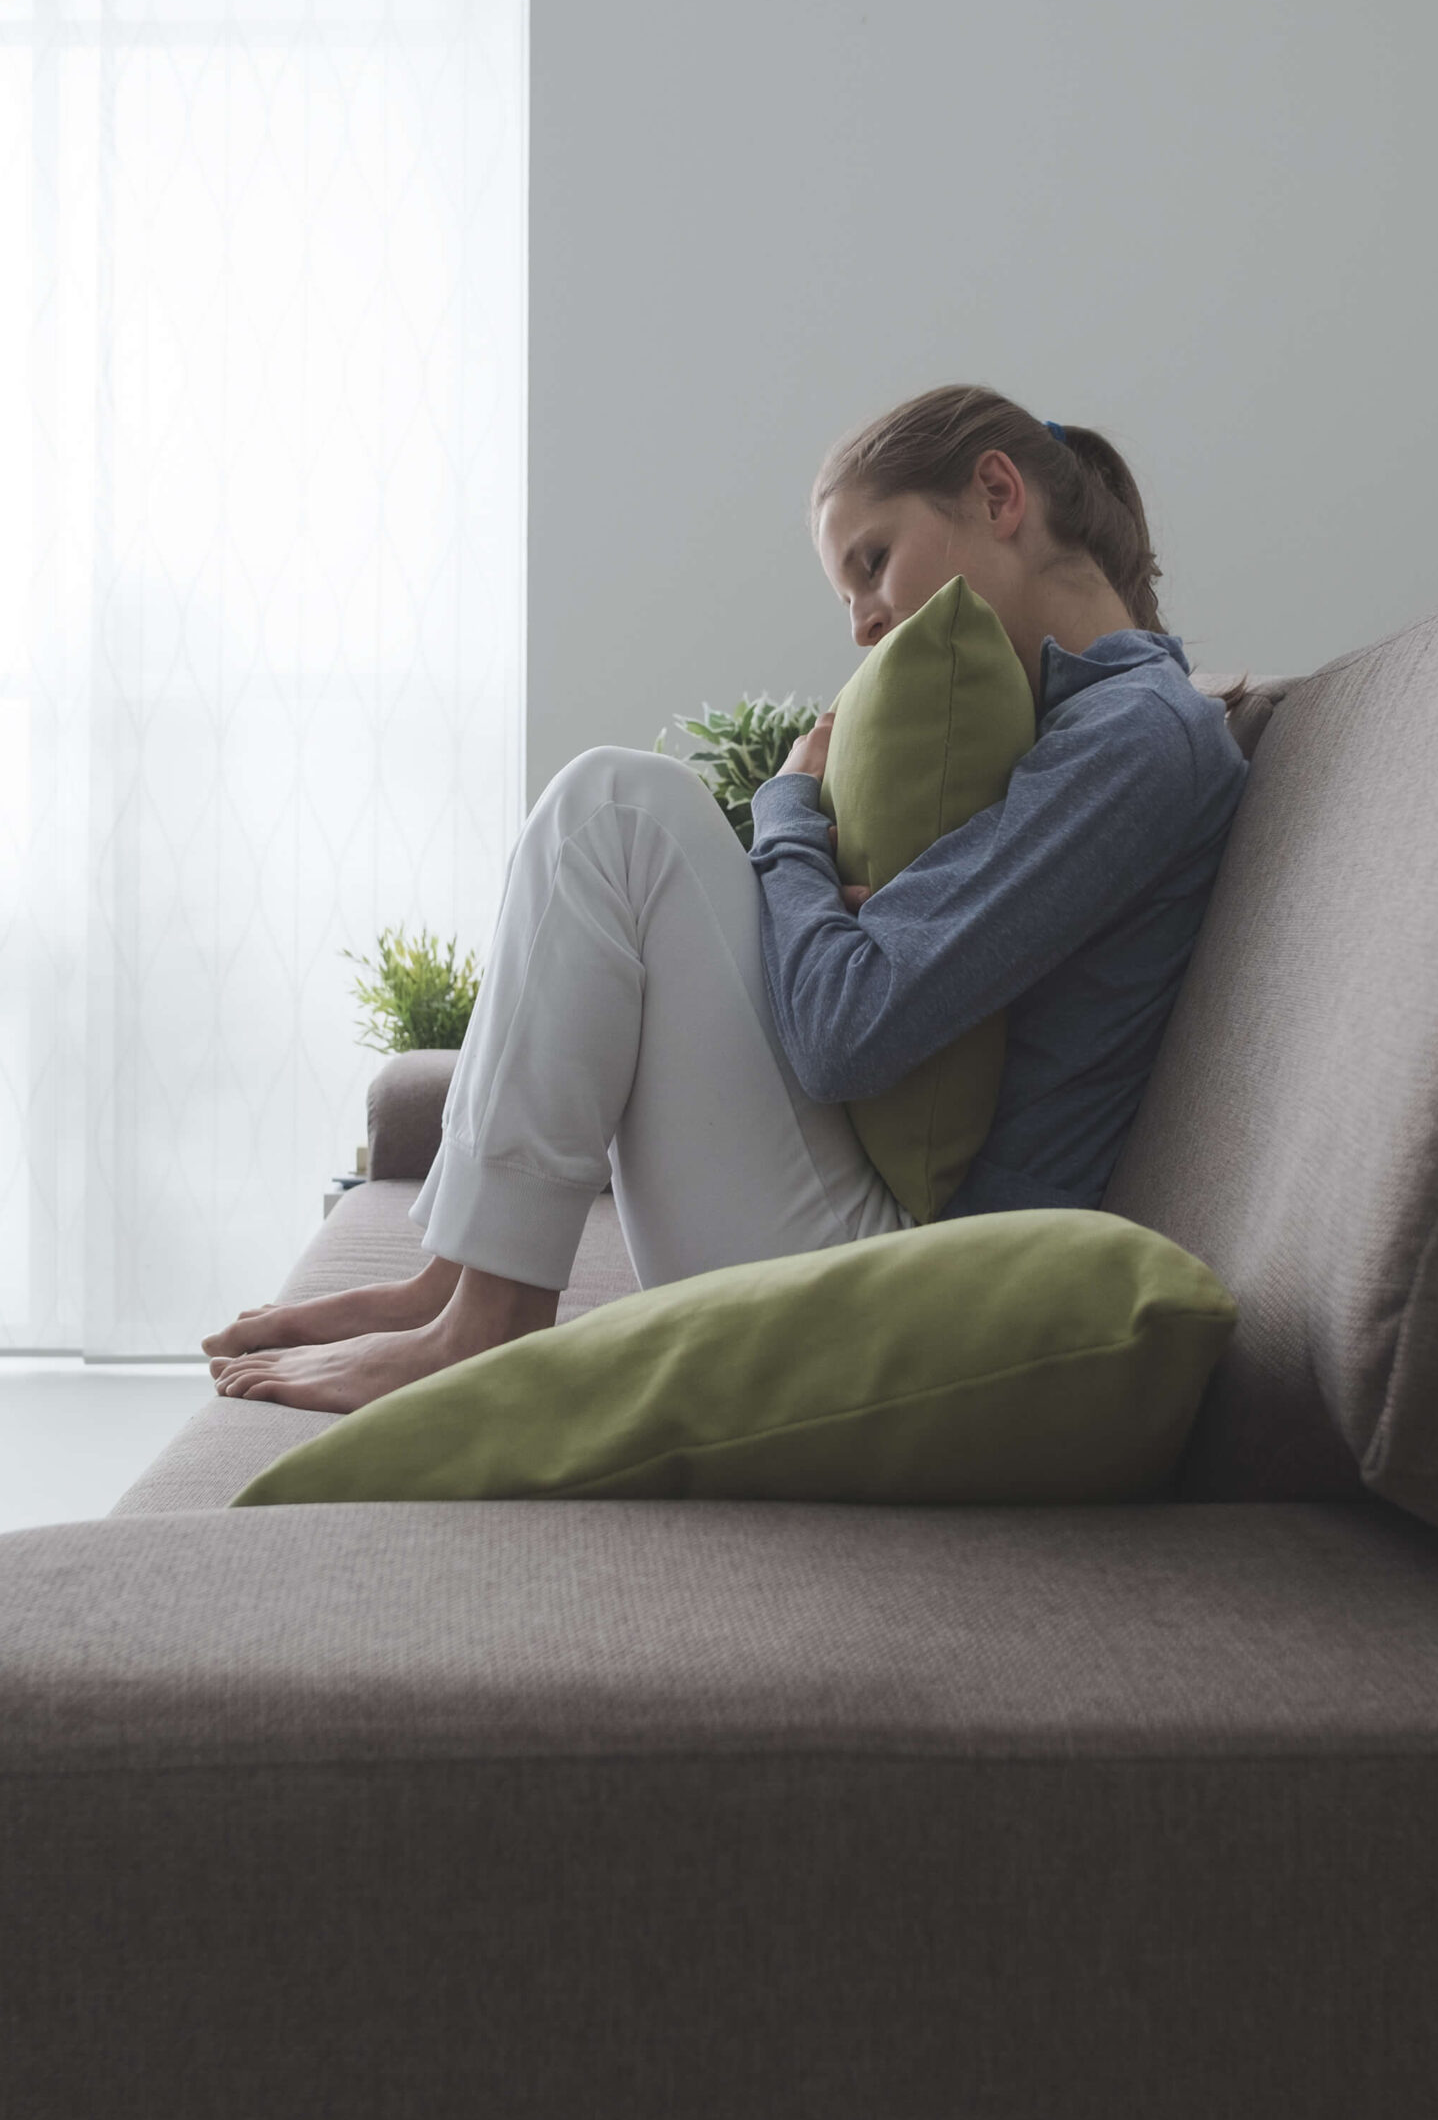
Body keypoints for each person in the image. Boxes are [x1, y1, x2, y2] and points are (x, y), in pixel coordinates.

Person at [203, 382, 1249, 1412]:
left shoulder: (1135, 740)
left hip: (929, 1291)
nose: (860, 627)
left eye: (872, 562)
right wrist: (829, 908)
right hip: (894, 1246)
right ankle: (464, 1279)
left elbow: (843, 1025)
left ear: (996, 494)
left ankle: (485, 1320)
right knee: (617, 805)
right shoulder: (1079, 732)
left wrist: (789, 815)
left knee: (618, 808)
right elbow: (868, 986)